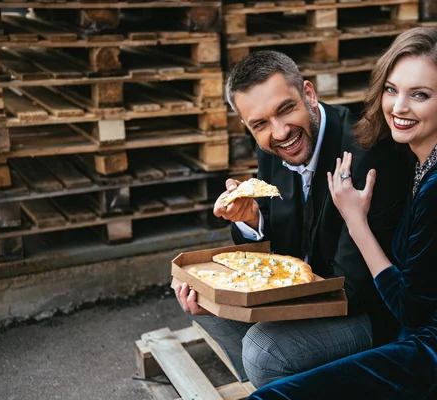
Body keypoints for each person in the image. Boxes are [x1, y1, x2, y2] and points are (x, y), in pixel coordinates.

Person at [248, 27, 437, 399]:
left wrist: (355, 220)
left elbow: (410, 309)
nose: (399, 107)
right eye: (392, 90)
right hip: (426, 346)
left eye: (420, 95)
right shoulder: (425, 163)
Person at [174, 50, 411, 388]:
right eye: (260, 124)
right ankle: (272, 390)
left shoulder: (367, 151)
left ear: (309, 94)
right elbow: (279, 254)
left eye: (286, 109)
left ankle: (278, 381)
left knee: (263, 351)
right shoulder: (271, 145)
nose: (281, 131)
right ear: (248, 126)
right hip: (310, 293)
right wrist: (252, 221)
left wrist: (261, 307)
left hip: (368, 314)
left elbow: (355, 288)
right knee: (200, 294)